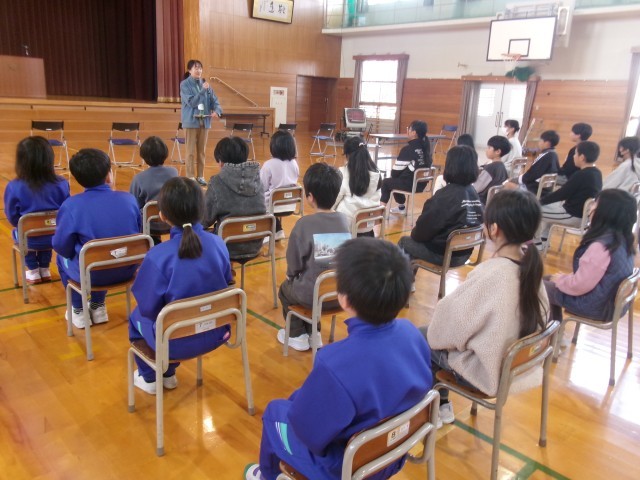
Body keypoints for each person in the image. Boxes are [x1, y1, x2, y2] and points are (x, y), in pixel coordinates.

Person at [246, 237, 433, 480]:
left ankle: (266, 476)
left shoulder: (335, 364)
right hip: (393, 454)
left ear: (343, 299)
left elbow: (307, 433)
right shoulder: (413, 334)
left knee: (275, 413)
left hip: (347, 468)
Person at [426, 189, 549, 426]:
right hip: (519, 368)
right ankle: (440, 406)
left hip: (488, 372)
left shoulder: (493, 274)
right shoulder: (531, 269)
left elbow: (446, 328)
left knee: (420, 340)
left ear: (494, 229)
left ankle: (434, 408)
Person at [128, 177, 233, 394]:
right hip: (217, 331)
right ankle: (168, 373)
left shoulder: (158, 256)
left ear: (162, 216)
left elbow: (147, 307)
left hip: (174, 343)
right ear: (202, 210)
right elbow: (226, 282)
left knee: (135, 318)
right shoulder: (218, 244)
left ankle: (151, 377)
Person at [52, 149, 141, 328]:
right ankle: (98, 306)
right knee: (107, 252)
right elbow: (137, 233)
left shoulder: (72, 205)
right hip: (127, 268)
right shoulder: (129, 199)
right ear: (109, 174)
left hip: (91, 275)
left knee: (62, 258)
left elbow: (62, 246)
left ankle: (78, 310)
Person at [277, 163, 351, 352]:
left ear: (310, 197)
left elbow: (294, 264)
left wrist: (290, 275)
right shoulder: (345, 220)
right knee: (311, 281)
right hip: (340, 293)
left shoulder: (304, 224)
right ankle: (313, 333)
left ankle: (296, 335)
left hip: (314, 296)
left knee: (286, 290)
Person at [544, 189, 636, 322]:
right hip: (610, 304)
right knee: (548, 280)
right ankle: (554, 327)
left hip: (595, 306)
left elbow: (579, 285)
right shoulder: (623, 240)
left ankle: (551, 329)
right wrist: (562, 279)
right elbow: (590, 277)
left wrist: (560, 280)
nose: (590, 207)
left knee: (537, 287)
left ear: (605, 213)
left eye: (595, 204)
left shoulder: (601, 246)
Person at [398, 145, 483, 267]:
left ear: (450, 166)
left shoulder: (444, 197)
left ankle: (399, 279)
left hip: (445, 255)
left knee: (405, 242)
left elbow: (419, 234)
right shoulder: (473, 193)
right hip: (465, 252)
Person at [3, 136, 70, 284]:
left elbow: (12, 217)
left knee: (21, 231)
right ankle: (45, 269)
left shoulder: (14, 186)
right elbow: (66, 210)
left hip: (29, 239)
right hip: (55, 237)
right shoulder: (62, 183)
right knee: (48, 227)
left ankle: (33, 270)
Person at [203, 137, 266, 260]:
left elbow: (204, 220)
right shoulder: (258, 179)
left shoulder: (217, 182)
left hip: (225, 246)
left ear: (221, 162)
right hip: (255, 243)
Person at [534, 141, 602, 251]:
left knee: (532, 210)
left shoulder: (582, 175)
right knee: (547, 206)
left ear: (582, 157)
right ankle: (544, 240)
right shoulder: (597, 173)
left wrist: (537, 202)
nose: (573, 157)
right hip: (582, 216)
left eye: (575, 154)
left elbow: (561, 194)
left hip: (572, 215)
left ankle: (536, 243)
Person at [180, 59, 222, 186]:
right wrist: (203, 90)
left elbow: (215, 101)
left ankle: (200, 175)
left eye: (200, 68)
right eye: (196, 68)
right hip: (191, 122)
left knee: (202, 151)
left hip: (205, 122)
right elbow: (192, 102)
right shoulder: (185, 84)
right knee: (190, 151)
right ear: (190, 70)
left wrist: (217, 111)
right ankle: (190, 176)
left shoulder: (206, 84)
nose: (198, 70)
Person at [129, 136, 178, 244]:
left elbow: (133, 204)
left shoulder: (139, 178)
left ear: (144, 156)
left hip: (149, 225)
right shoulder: (174, 172)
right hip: (172, 220)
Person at [332, 136, 382, 237]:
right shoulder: (377, 173)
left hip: (347, 229)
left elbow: (333, 200)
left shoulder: (344, 173)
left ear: (348, 155)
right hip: (369, 226)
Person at [380, 120, 432, 214]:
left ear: (414, 132)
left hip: (411, 185)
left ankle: (380, 211)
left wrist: (397, 175)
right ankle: (401, 208)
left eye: (409, 129)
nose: (407, 130)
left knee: (386, 182)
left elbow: (394, 172)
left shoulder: (408, 149)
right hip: (422, 184)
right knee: (396, 179)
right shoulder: (426, 148)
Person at [260, 130, 300, 241]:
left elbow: (262, 187)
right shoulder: (294, 164)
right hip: (291, 204)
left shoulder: (269, 165)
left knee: (256, 201)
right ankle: (278, 230)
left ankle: (268, 232)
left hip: (273, 206)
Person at [506, 130, 559, 195]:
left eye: (540, 140)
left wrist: (517, 179)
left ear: (547, 143)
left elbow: (531, 175)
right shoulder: (554, 155)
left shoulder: (546, 156)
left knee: (508, 185)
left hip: (535, 190)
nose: (539, 143)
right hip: (544, 189)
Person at [473, 135, 510, 204]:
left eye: (489, 148)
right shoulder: (502, 166)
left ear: (498, 151)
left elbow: (475, 188)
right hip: (494, 201)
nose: (486, 150)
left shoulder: (490, 168)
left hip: (482, 201)